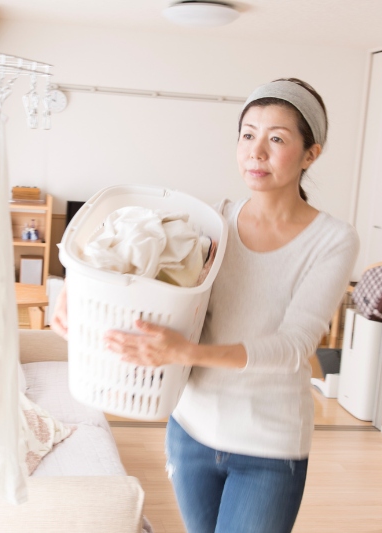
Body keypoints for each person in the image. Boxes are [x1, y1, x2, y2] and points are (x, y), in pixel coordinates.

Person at [51, 78, 359, 533]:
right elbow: (134, 265)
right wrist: (73, 290)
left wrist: (186, 353)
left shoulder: (333, 240)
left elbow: (294, 345)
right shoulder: (212, 222)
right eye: (248, 134)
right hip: (189, 431)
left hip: (269, 446)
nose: (256, 151)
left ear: (310, 154)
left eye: (277, 139)